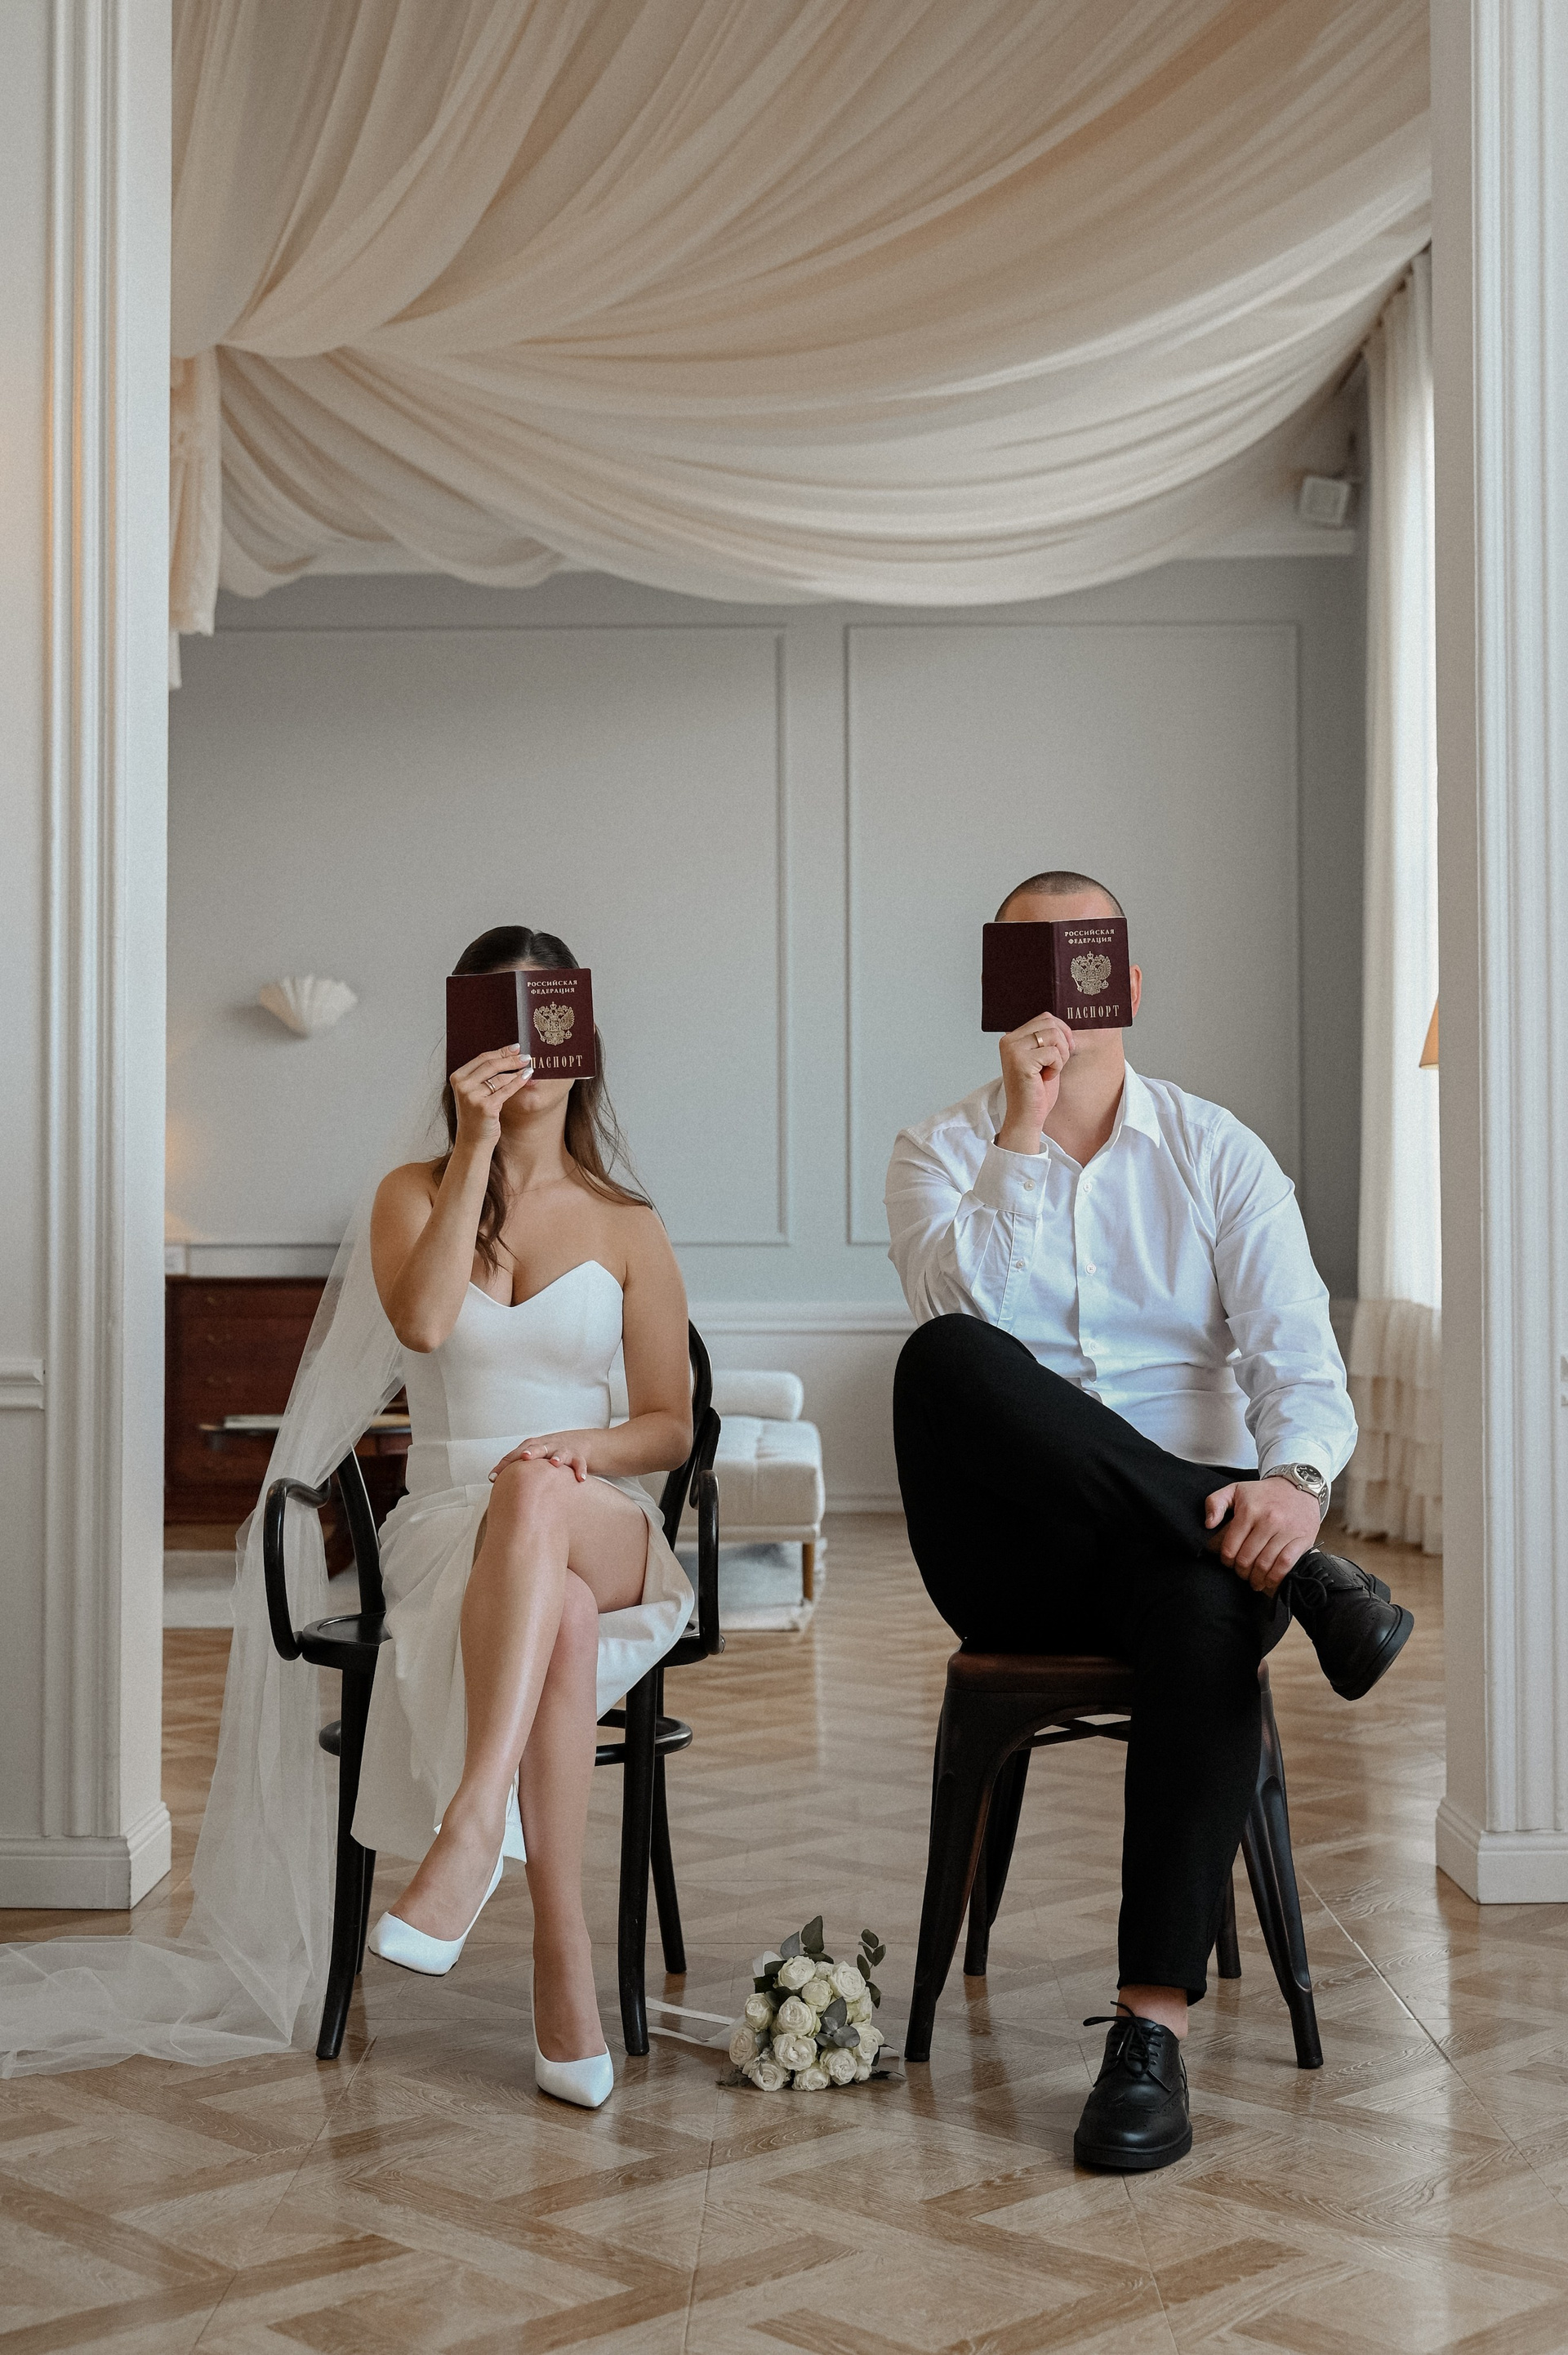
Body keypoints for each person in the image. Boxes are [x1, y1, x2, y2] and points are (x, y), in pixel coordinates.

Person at [885, 870, 1412, 2174]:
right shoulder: (938, 1152)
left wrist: (1294, 1486)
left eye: (1085, 966)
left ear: (1127, 984)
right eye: (1031, 968)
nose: (1063, 998)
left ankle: (1149, 2034)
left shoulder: (1217, 1153)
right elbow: (962, 1314)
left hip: (1192, 1558)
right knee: (946, 1356)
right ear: (997, 990)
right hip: (1010, 1554)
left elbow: (1300, 1364)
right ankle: (1309, 1580)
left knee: (1208, 1600)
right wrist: (1021, 1128)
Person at [357, 924, 694, 2110]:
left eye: (546, 1019)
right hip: (449, 1526)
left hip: (601, 1510)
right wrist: (474, 1147)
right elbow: (424, 1324)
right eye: (496, 1024)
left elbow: (670, 1424)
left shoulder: (628, 1222)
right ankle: (564, 1967)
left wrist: (579, 1451)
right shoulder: (412, 1195)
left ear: (580, 1038)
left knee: (539, 1486)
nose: (527, 1050)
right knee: (556, 1610)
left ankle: (469, 1828)